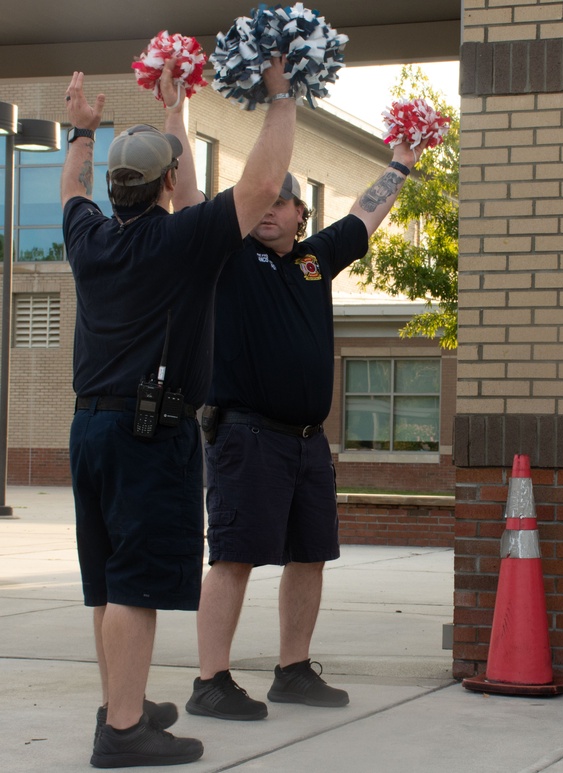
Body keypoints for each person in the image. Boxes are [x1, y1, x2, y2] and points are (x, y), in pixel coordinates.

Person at [63, 57, 296, 767]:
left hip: (90, 430)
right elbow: (259, 185)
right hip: (148, 434)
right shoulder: (181, 243)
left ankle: (119, 704)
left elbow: (72, 184)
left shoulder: (89, 235)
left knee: (108, 580)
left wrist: (82, 132)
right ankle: (125, 731)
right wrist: (282, 95)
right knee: (135, 582)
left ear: (115, 186)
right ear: (166, 183)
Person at [185, 137, 429, 720]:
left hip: (306, 442)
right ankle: (209, 681)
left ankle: (293, 670)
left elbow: (365, 216)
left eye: (282, 200)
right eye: (259, 200)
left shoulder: (315, 261)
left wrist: (402, 165)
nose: (269, 209)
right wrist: (176, 113)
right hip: (246, 435)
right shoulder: (229, 255)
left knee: (311, 555)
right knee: (234, 556)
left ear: (301, 212)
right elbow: (192, 203)